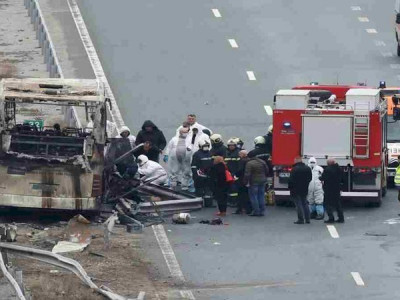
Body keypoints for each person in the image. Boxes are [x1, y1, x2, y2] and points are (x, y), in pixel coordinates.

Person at [289, 157, 312, 224]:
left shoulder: (294, 169)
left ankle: (301, 219)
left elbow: (291, 180)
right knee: (305, 203)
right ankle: (308, 219)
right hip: (304, 188)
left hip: (296, 189)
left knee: (298, 204)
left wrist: (290, 188)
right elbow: (310, 178)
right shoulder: (307, 168)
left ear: (296, 161)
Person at [321, 158, 344, 223]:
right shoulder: (339, 169)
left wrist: (320, 178)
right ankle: (341, 218)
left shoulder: (327, 170)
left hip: (328, 189)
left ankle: (331, 218)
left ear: (329, 163)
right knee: (337, 204)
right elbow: (342, 178)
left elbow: (323, 178)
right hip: (337, 189)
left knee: (327, 204)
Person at [233, 150, 252, 214]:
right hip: (248, 179)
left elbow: (240, 170)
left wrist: (235, 174)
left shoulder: (242, 161)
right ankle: (248, 209)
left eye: (240, 154)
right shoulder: (249, 160)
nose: (239, 155)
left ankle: (240, 209)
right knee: (247, 194)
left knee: (241, 194)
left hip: (242, 179)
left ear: (243, 155)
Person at [225, 139, 241, 207]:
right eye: (230, 145)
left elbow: (239, 164)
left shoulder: (238, 153)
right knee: (229, 187)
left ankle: (234, 202)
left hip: (235, 173)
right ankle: (230, 201)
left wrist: (236, 173)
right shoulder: (226, 152)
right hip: (228, 173)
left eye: (233, 145)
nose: (231, 147)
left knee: (234, 188)